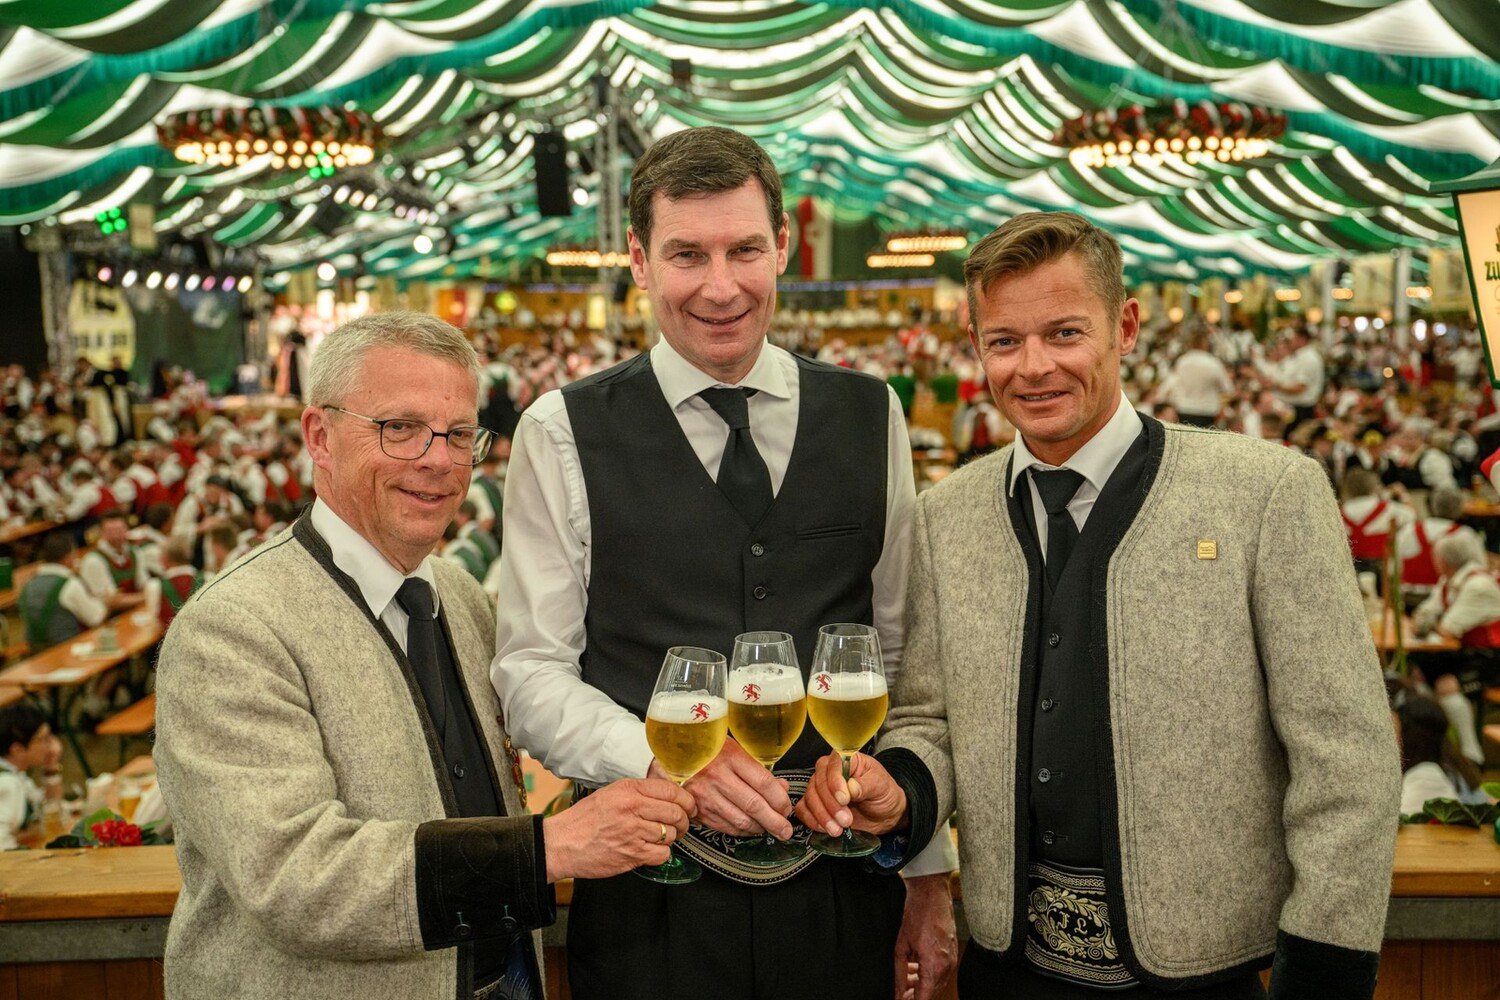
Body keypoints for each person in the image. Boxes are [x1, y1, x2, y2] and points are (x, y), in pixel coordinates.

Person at [797, 211, 1400, 1000]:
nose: (1032, 367)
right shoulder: (947, 516)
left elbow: (1347, 760)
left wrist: (1322, 972)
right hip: (1008, 972)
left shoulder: (1264, 494)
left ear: (1126, 327)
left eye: (1064, 333)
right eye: (1004, 341)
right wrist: (902, 790)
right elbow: (929, 716)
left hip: (1203, 977)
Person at [492, 126, 957, 1000]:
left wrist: (924, 869)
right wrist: (664, 760)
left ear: (783, 246)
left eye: (745, 249)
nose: (721, 285)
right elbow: (530, 672)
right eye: (686, 254)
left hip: (840, 897)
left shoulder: (870, 413)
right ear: (637, 260)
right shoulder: (560, 429)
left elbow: (903, 663)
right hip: (647, 903)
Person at [153, 312, 695, 1000]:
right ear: (320, 437)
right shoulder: (233, 628)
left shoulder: (461, 595)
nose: (438, 460)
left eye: (459, 434)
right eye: (399, 428)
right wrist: (549, 850)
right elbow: (293, 877)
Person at [19, 532, 109, 650]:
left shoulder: (28, 585)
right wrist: (107, 602)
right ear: (68, 558)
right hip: (68, 650)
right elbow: (96, 618)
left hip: (33, 652)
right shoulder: (69, 585)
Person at [0, 703, 62, 850]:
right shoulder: (8, 784)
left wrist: (51, 766)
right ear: (17, 750)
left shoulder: (16, 774)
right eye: (43, 739)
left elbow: (49, 807)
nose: (51, 745)